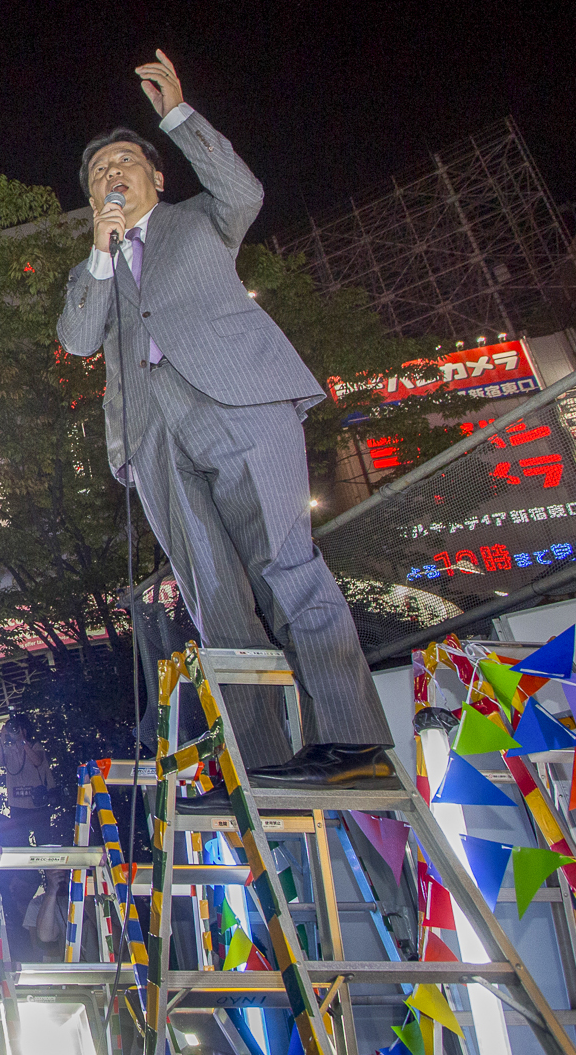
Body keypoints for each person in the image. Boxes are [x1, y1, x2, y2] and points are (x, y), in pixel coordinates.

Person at [54, 50, 394, 787]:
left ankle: (351, 738)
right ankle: (264, 760)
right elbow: (78, 339)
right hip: (152, 433)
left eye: (125, 163)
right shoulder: (96, 268)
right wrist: (99, 252)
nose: (111, 175)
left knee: (285, 561)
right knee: (213, 599)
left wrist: (176, 113)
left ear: (157, 175)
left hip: (237, 402)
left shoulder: (201, 220)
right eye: (97, 173)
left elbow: (243, 188)